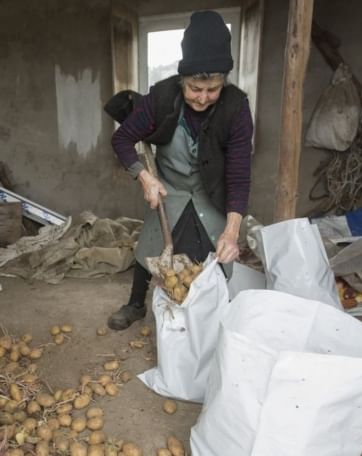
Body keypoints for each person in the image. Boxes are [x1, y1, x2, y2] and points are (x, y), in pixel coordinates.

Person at [105, 10, 253, 330]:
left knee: (212, 252)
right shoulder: (161, 97)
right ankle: (134, 304)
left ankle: (210, 313)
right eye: (194, 88)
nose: (202, 98)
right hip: (168, 186)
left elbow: (239, 174)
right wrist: (144, 177)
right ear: (182, 79)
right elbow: (122, 140)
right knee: (152, 243)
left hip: (209, 192)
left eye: (212, 89)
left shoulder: (236, 108)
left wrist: (232, 229)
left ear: (223, 82)